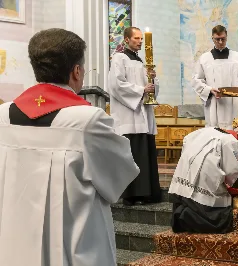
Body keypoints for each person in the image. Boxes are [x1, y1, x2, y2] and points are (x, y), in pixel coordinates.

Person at [0, 28, 140, 266]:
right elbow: (121, 174)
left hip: (12, 245)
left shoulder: (3, 116)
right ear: (76, 71)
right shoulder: (88, 121)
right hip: (72, 250)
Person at [108, 26, 161, 205]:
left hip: (143, 114)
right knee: (133, 155)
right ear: (127, 40)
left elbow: (152, 89)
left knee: (144, 154)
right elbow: (116, 85)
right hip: (129, 115)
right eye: (136, 38)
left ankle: (148, 193)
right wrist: (141, 90)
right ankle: (132, 195)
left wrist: (153, 80)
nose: (140, 41)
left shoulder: (142, 62)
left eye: (141, 38)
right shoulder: (119, 58)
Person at [168, 126, 238, 233]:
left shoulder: (210, 129)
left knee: (189, 191)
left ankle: (180, 214)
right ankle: (188, 215)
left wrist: (189, 158)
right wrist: (237, 163)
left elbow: (186, 139)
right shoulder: (232, 142)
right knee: (221, 202)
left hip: (186, 166)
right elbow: (231, 171)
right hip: (205, 173)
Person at [191, 25, 238, 130]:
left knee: (234, 132)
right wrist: (209, 90)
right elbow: (196, 80)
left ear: (227, 37)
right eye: (217, 39)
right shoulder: (204, 59)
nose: (220, 42)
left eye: (223, 39)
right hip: (214, 103)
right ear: (212, 38)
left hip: (234, 103)